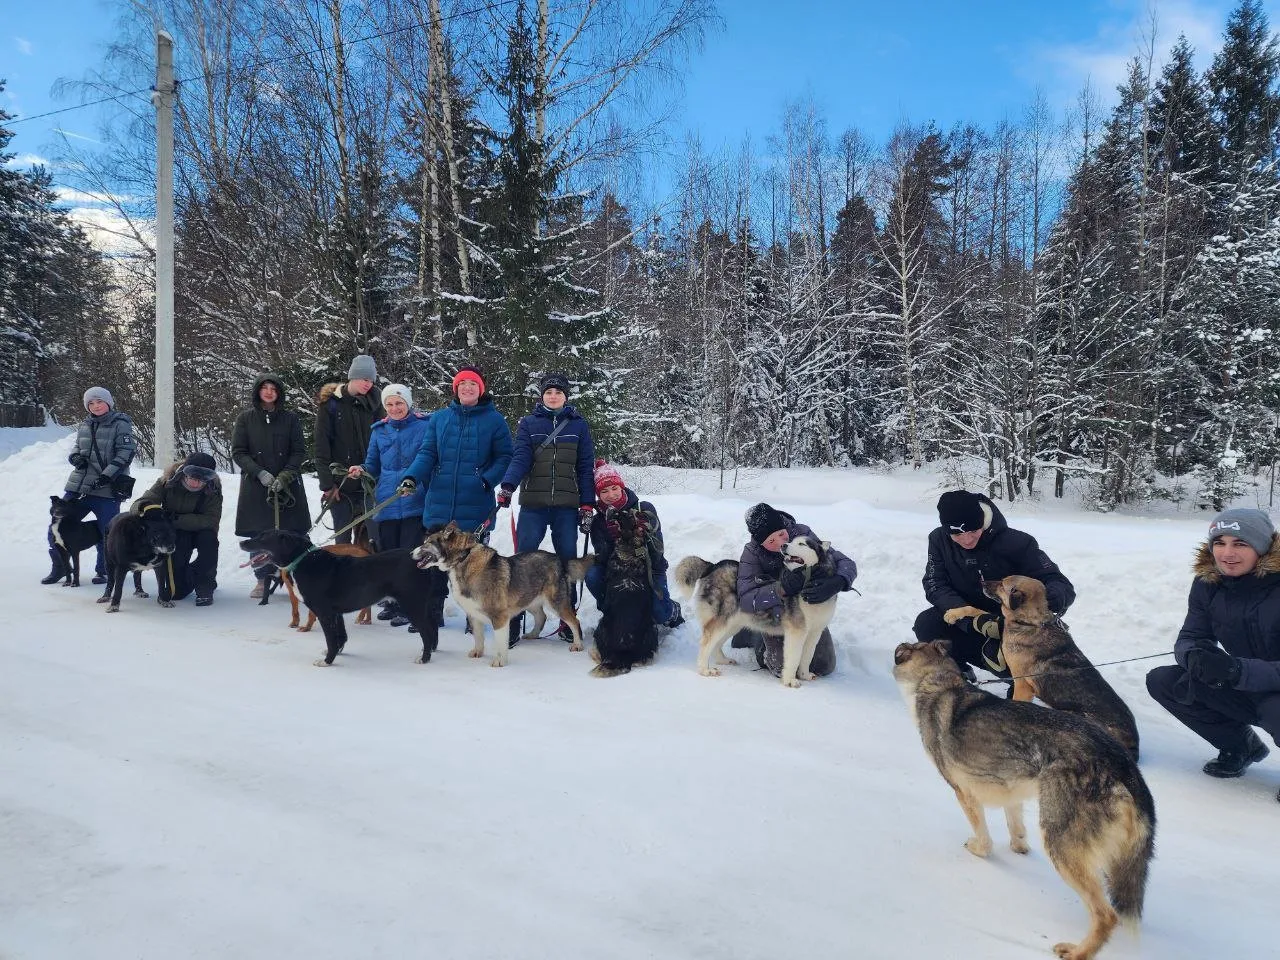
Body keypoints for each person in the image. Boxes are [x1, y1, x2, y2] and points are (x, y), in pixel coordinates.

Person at [1146, 508, 1280, 799]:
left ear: (1262, 547)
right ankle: (1240, 745)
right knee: (1167, 681)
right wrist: (1195, 657)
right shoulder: (1208, 583)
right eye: (1219, 543)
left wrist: (1238, 670)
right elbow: (1191, 637)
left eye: (1240, 543)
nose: (1227, 553)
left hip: (1271, 689)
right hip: (1243, 682)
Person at [914, 489, 1075, 683]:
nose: (967, 539)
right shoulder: (939, 539)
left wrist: (1045, 600)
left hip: (1009, 622)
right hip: (969, 616)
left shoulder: (1018, 543)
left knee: (1006, 656)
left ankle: (1019, 681)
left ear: (982, 521)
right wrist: (968, 617)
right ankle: (957, 671)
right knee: (927, 624)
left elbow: (1059, 583)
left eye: (973, 531)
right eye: (957, 534)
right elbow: (935, 583)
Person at [397, 367, 513, 629]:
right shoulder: (440, 419)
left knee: (475, 566)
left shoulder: (494, 420)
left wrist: (485, 479)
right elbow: (427, 453)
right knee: (433, 561)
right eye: (462, 384)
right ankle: (432, 613)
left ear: (480, 390)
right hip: (439, 502)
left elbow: (505, 456)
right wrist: (412, 477)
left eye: (473, 384)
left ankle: (476, 618)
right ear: (456, 389)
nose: (467, 388)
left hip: (475, 504)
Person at [496, 373, 596, 637]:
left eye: (558, 392)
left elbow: (585, 467)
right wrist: (508, 485)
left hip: (566, 505)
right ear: (542, 396)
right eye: (549, 392)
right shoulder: (529, 423)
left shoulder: (579, 426)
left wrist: (587, 504)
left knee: (567, 563)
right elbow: (521, 457)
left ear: (566, 396)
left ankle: (567, 620)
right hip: (534, 504)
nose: (553, 396)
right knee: (522, 562)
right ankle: (515, 620)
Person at [734, 502, 856, 677]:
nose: (781, 543)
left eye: (781, 534)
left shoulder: (801, 533)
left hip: (807, 611)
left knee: (823, 665)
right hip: (776, 614)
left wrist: (839, 581)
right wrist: (781, 589)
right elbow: (746, 599)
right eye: (771, 541)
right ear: (761, 543)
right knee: (781, 666)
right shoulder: (752, 553)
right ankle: (753, 635)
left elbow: (844, 562)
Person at [347, 383, 431, 627]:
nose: (395, 408)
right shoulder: (379, 431)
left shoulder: (424, 426)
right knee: (388, 554)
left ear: (408, 403)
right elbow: (373, 464)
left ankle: (410, 604)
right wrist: (361, 469)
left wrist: (417, 483)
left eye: (399, 403)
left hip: (414, 498)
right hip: (386, 500)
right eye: (390, 404)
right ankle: (393, 601)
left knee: (410, 554)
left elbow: (429, 459)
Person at [43, 386, 137, 586]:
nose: (95, 406)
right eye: (91, 403)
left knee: (107, 532)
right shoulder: (85, 424)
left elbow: (126, 452)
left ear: (108, 402)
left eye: (99, 401)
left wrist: (106, 476)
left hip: (107, 489)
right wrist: (75, 458)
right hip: (79, 487)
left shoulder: (121, 424)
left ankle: (104, 570)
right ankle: (60, 568)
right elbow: (77, 447)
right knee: (56, 527)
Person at [231, 374, 312, 597]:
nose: (269, 392)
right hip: (256, 486)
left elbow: (299, 451)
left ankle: (297, 579)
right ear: (258, 391)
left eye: (273, 389)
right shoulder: (245, 419)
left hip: (288, 486)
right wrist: (260, 473)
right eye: (265, 388)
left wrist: (285, 475)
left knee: (293, 533)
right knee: (260, 534)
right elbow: (239, 452)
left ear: (279, 393)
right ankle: (262, 580)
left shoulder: (291, 419)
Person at [584, 458, 683, 629]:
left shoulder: (644, 508)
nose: (611, 495)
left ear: (622, 487)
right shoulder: (598, 521)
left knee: (659, 613)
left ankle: (671, 610)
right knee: (592, 574)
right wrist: (616, 540)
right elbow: (602, 558)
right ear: (598, 495)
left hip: (649, 569)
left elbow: (657, 551)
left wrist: (641, 534)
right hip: (617, 571)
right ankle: (612, 611)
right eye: (604, 491)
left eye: (614, 488)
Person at [130, 452, 222, 605]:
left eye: (202, 479)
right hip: (175, 533)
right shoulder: (167, 481)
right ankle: (188, 577)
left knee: (209, 544)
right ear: (184, 472)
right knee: (176, 593)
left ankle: (205, 585)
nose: (196, 483)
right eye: (193, 476)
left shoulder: (213, 489)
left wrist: (175, 519)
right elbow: (139, 503)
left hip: (200, 530)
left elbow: (211, 519)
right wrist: (146, 508)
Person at [315, 353, 383, 544]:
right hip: (341, 485)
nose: (368, 384)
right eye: (364, 378)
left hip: (369, 483)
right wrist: (327, 485)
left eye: (371, 380)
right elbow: (321, 447)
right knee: (343, 541)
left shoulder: (376, 403)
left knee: (372, 540)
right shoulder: (330, 404)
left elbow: (384, 441)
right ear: (353, 376)